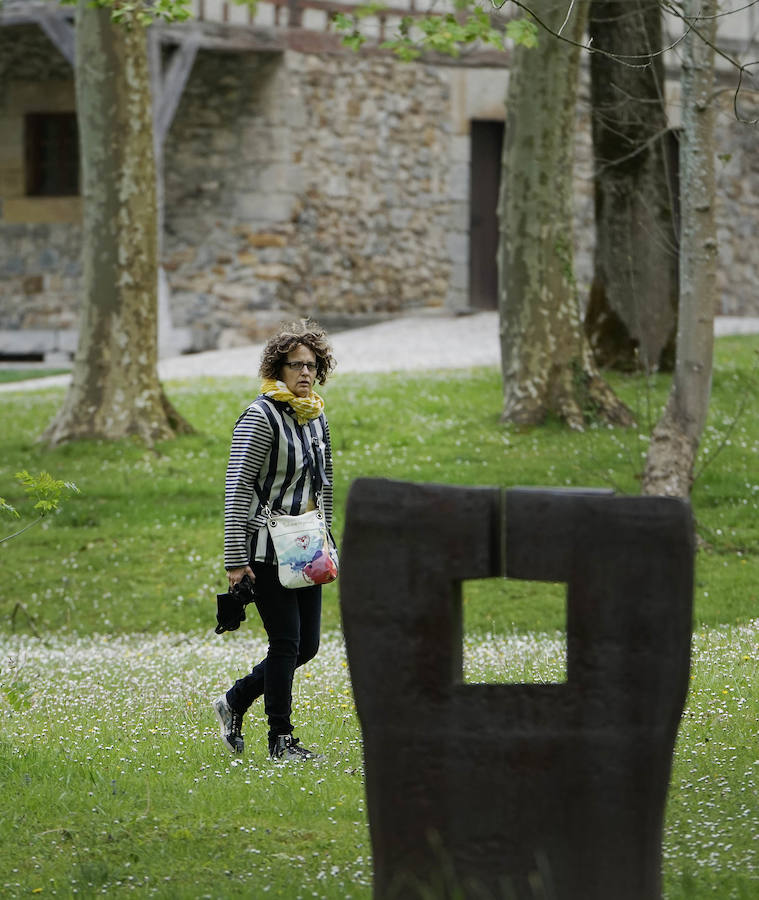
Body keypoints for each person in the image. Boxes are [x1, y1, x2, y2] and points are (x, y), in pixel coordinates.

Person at [213, 320, 336, 760]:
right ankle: (281, 740)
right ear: (277, 368)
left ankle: (235, 700)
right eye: (295, 365)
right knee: (285, 642)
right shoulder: (260, 416)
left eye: (311, 364)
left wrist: (328, 540)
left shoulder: (315, 414)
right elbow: (237, 486)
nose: (304, 372)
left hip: (306, 546)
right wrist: (235, 559)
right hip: (265, 547)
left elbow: (326, 483)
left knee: (308, 646)